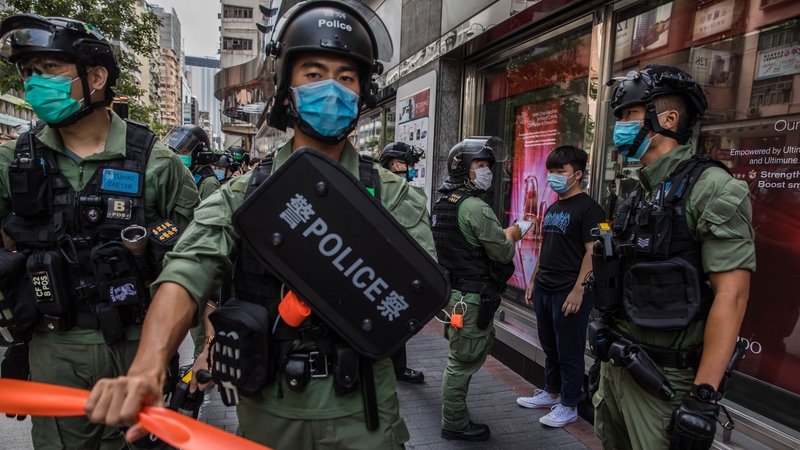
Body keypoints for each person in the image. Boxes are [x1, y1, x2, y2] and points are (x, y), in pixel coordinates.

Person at [85, 1, 435, 449]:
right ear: (286, 89)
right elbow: (187, 269)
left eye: (346, 77)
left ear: (364, 92)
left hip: (363, 409)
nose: (331, 88)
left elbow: (418, 290)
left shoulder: (392, 193)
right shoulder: (245, 193)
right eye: (313, 73)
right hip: (270, 407)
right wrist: (149, 365)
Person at [0, 14, 198, 449]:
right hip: (54, 350)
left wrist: (200, 347)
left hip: (136, 345)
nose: (36, 83)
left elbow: (197, 259)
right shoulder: (14, 160)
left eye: (50, 69)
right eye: (29, 71)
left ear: (95, 76)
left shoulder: (157, 162)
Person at [591, 64, 754, 450]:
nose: (620, 126)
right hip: (618, 368)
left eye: (628, 115)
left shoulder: (711, 187)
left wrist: (703, 397)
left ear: (667, 118)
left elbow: (733, 297)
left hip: (663, 381)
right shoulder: (638, 194)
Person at [432, 137, 521, 442]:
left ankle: (455, 417)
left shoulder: (443, 202)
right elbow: (503, 253)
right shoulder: (474, 207)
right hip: (469, 300)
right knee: (461, 363)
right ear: (462, 169)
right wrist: (514, 232)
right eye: (480, 165)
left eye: (488, 166)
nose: (487, 171)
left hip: (453, 296)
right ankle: (454, 423)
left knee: (458, 357)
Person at [515, 145, 605, 427]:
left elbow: (594, 252)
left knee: (569, 349)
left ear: (577, 174)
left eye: (560, 171)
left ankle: (569, 404)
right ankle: (552, 392)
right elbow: (546, 246)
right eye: (550, 171)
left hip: (570, 291)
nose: (553, 176)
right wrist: (532, 280)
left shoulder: (591, 209)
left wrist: (580, 290)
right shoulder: (553, 207)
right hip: (545, 287)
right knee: (550, 345)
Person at [163, 124, 221, 360]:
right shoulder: (186, 176)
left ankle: (203, 363)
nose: (180, 155)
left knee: (201, 325)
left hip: (200, 263)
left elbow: (207, 226)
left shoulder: (208, 182)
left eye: (186, 150)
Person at [379, 141, 425, 383]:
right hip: (390, 265)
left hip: (385, 264)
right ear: (397, 164)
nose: (412, 170)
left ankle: (395, 366)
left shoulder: (380, 185)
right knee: (395, 317)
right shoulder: (395, 190)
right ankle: (395, 368)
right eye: (410, 165)